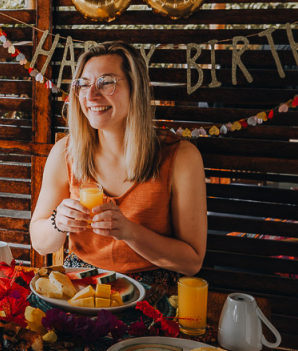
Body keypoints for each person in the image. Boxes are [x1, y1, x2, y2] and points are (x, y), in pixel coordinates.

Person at [30, 41, 207, 286]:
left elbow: (191, 262)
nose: (91, 95)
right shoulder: (64, 152)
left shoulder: (181, 157)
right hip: (80, 284)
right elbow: (40, 244)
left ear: (136, 89)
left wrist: (129, 232)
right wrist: (57, 222)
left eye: (106, 82)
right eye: (83, 84)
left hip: (150, 288)